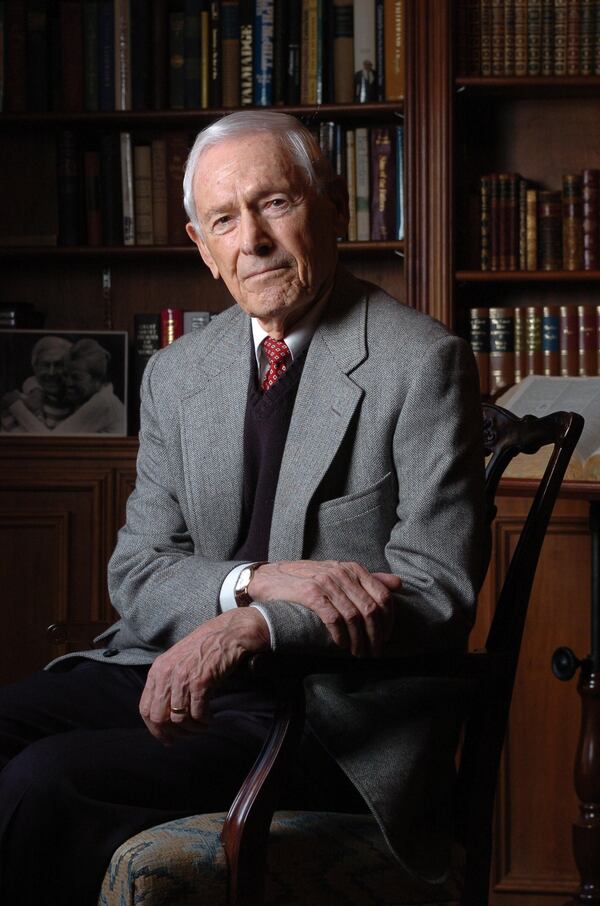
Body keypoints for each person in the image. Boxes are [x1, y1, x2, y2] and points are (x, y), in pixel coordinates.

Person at [0, 110, 486, 906]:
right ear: (203, 246)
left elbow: (437, 590)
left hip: (328, 711)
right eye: (225, 219)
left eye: (276, 204)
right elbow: (138, 570)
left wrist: (251, 626)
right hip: (170, 671)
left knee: (45, 781)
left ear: (331, 205)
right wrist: (251, 583)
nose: (252, 239)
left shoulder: (421, 362)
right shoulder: (178, 373)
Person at [0, 334, 73, 432]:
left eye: (59, 365)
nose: (51, 372)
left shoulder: (78, 404)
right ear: (35, 368)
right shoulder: (17, 403)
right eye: (45, 365)